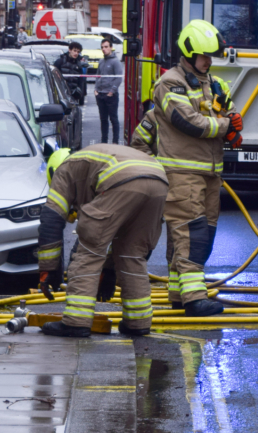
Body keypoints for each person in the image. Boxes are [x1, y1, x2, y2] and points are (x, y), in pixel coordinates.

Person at [153, 20, 242, 316]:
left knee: (201, 234)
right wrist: (225, 126)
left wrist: (233, 124)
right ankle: (193, 298)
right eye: (204, 56)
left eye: (210, 56)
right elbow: (189, 122)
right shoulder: (170, 82)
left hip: (210, 172)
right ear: (189, 53)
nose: (208, 61)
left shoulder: (211, 84)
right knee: (191, 234)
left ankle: (179, 293)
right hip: (182, 173)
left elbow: (223, 112)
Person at [37, 145, 169, 337]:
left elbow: (51, 219)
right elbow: (112, 231)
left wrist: (49, 269)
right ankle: (137, 323)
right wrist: (109, 270)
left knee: (88, 253)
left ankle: (76, 322)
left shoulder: (63, 170)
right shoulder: (96, 162)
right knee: (133, 254)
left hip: (123, 179)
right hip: (159, 181)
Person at [95, 39, 124, 144]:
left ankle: (115, 142)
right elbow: (98, 76)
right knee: (103, 120)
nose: (104, 49)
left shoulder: (115, 61)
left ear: (111, 47)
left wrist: (111, 92)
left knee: (113, 119)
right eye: (102, 47)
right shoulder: (101, 61)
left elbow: (119, 78)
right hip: (100, 95)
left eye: (106, 46)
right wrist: (96, 90)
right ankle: (104, 141)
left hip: (111, 96)